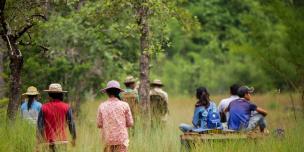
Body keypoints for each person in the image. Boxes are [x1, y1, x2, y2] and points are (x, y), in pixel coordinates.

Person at [37, 83, 76, 152]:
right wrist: (74, 138)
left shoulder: (44, 107)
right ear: (61, 94)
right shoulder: (66, 107)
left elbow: (39, 126)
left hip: (48, 142)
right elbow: (71, 124)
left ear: (49, 95)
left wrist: (39, 142)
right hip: (62, 141)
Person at [97, 80, 133, 152]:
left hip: (107, 140)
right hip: (122, 140)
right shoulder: (124, 105)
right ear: (119, 92)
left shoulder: (102, 106)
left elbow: (99, 124)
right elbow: (130, 123)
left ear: (107, 92)